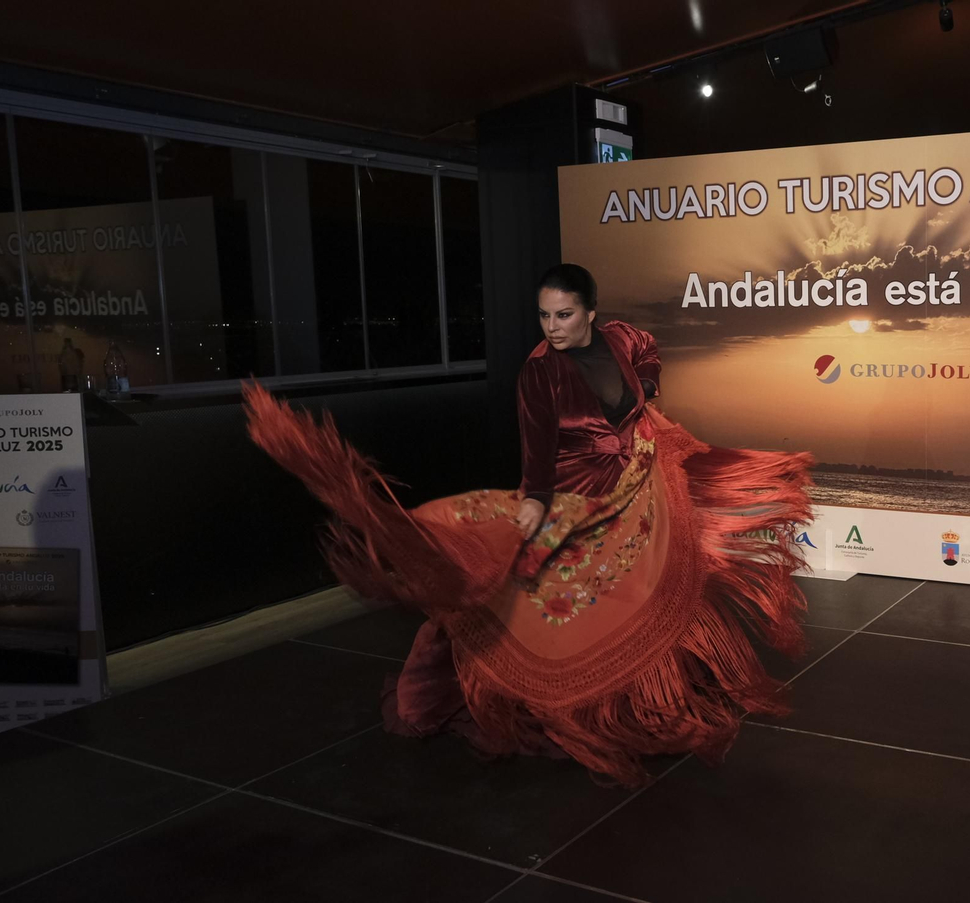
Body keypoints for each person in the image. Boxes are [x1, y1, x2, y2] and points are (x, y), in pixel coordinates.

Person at [244, 263, 814, 785]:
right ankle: (492, 696)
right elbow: (537, 454)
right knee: (517, 585)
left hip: (635, 481)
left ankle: (646, 694)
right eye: (544, 315)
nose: (552, 325)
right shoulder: (538, 373)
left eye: (563, 314)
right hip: (571, 491)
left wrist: (643, 409)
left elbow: (647, 375)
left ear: (591, 312)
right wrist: (536, 504)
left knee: (644, 583)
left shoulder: (627, 340)